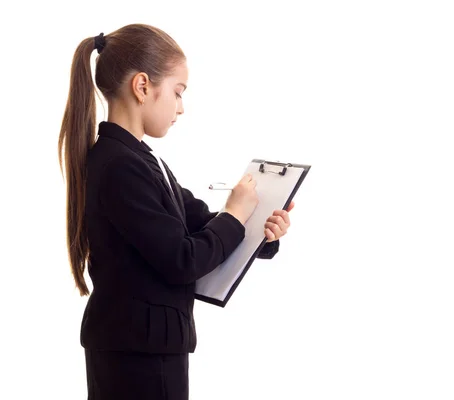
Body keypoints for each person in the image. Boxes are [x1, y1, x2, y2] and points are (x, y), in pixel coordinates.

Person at [57, 24, 294, 400]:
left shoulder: (142, 161)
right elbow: (182, 259)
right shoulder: (120, 166)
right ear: (142, 86)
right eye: (178, 92)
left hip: (145, 347)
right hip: (137, 354)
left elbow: (202, 224)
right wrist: (234, 216)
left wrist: (259, 231)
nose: (181, 107)